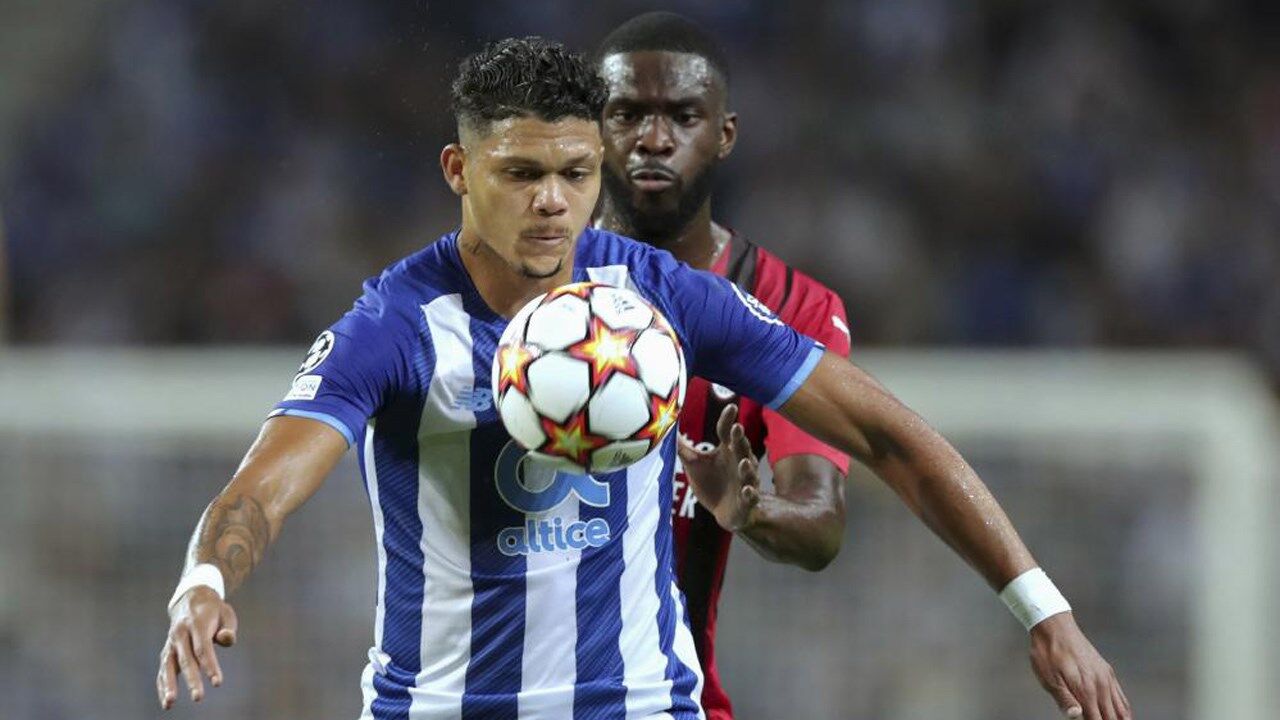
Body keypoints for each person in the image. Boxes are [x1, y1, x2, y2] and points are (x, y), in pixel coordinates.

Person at [157, 36, 1131, 720]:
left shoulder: (655, 297)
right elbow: (261, 489)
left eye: (576, 173)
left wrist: (1041, 610)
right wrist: (205, 578)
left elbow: (885, 433)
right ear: (459, 169)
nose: (553, 202)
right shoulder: (398, 325)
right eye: (521, 173)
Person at [595, 14, 850, 720]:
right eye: (628, 114)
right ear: (593, 128)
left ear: (725, 134)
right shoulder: (532, 286)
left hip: (669, 702)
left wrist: (751, 509)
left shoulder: (789, 307)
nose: (654, 139)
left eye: (682, 117)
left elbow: (822, 523)